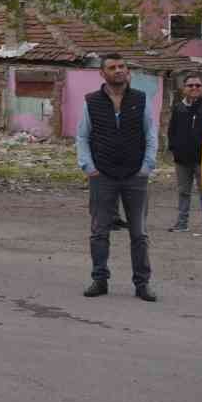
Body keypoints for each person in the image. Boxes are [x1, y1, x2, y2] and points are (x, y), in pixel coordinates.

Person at [76, 53, 158, 301]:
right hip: (102, 175)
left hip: (135, 175)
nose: (118, 71)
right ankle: (99, 279)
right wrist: (88, 166)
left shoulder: (140, 100)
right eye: (112, 67)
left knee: (139, 233)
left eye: (122, 66)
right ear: (102, 73)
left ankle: (142, 284)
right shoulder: (91, 101)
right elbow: (82, 136)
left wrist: (147, 166)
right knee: (99, 231)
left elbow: (151, 134)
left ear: (128, 71)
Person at [167, 74, 202, 235]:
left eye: (198, 85)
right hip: (182, 159)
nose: (194, 88)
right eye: (191, 85)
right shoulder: (178, 108)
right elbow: (172, 130)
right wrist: (174, 148)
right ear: (184, 88)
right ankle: (181, 224)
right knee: (183, 192)